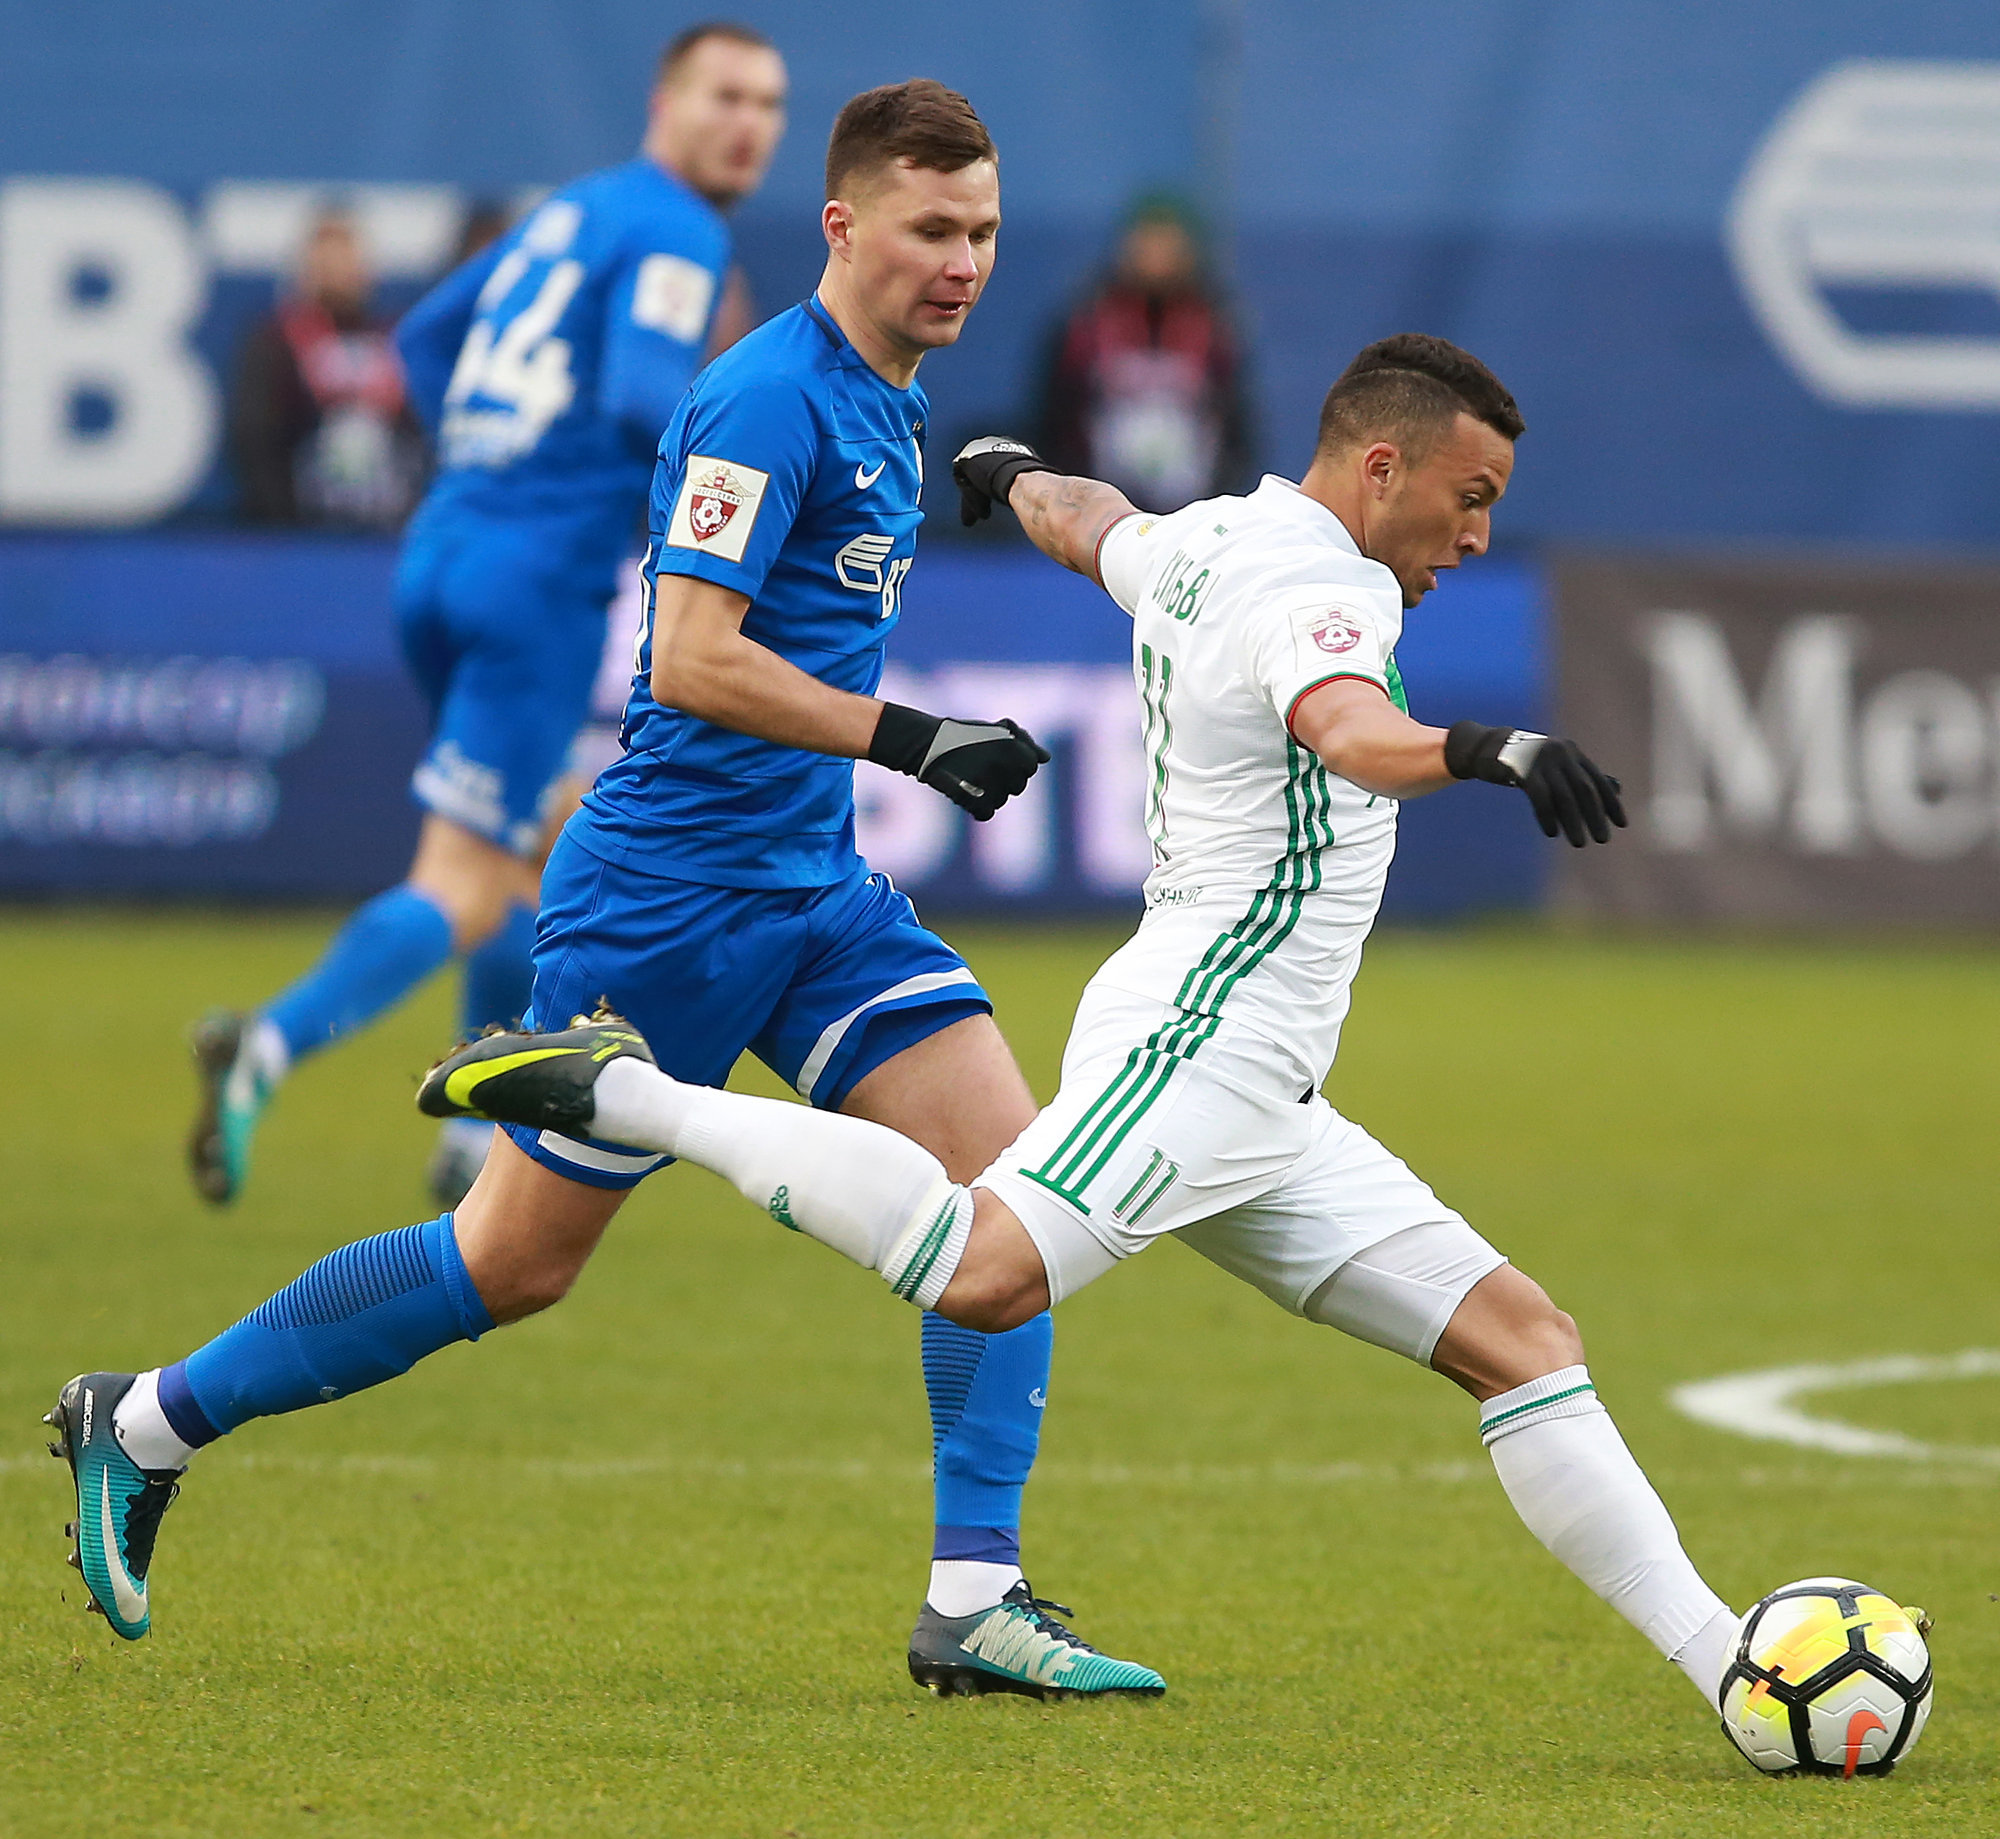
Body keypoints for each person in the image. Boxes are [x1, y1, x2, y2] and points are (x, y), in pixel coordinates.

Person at [405, 333, 1750, 1724]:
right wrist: (1488, 748)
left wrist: (1011, 473)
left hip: (1269, 1093)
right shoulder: (1323, 590)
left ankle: (1732, 1666)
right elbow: (1348, 730)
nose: (1474, 536)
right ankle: (633, 1098)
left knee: (1522, 1339)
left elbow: (1088, 522)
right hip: (1199, 1037)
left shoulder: (1210, 536)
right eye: (1467, 497)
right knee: (985, 1272)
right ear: (1379, 466)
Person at [59, 79, 1163, 1704]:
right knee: (510, 1262)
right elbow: (696, 657)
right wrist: (912, 735)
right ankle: (147, 1416)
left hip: (815, 889)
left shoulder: (889, 397)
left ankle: (975, 1598)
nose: (965, 262)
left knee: (1013, 1197)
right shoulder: (765, 394)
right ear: (843, 223)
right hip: (666, 903)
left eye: (985, 231)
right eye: (933, 228)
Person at [188, 22, 788, 1211]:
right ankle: (267, 1042)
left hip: (445, 549)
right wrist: (746, 486)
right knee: (464, 876)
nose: (747, 124)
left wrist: (484, 457)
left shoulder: (575, 209)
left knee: (529, 847)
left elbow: (420, 338)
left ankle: (471, 1142)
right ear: (663, 103)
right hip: (538, 582)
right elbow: (640, 400)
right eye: (724, 96)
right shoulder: (679, 227)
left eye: (766, 105)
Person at [1031, 193, 1252, 512]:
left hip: (1192, 507)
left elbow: (1236, 422)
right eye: (1147, 242)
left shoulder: (1216, 325)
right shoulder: (1087, 323)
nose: (1156, 256)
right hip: (1097, 504)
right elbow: (1054, 413)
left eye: (1167, 243)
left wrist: (1221, 493)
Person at [228, 207, 425, 528]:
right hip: (302, 523)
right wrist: (282, 520)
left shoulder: (398, 339)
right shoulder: (278, 341)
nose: (336, 272)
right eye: (326, 262)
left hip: (391, 521)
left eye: (345, 259)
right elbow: (255, 436)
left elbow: (423, 429)